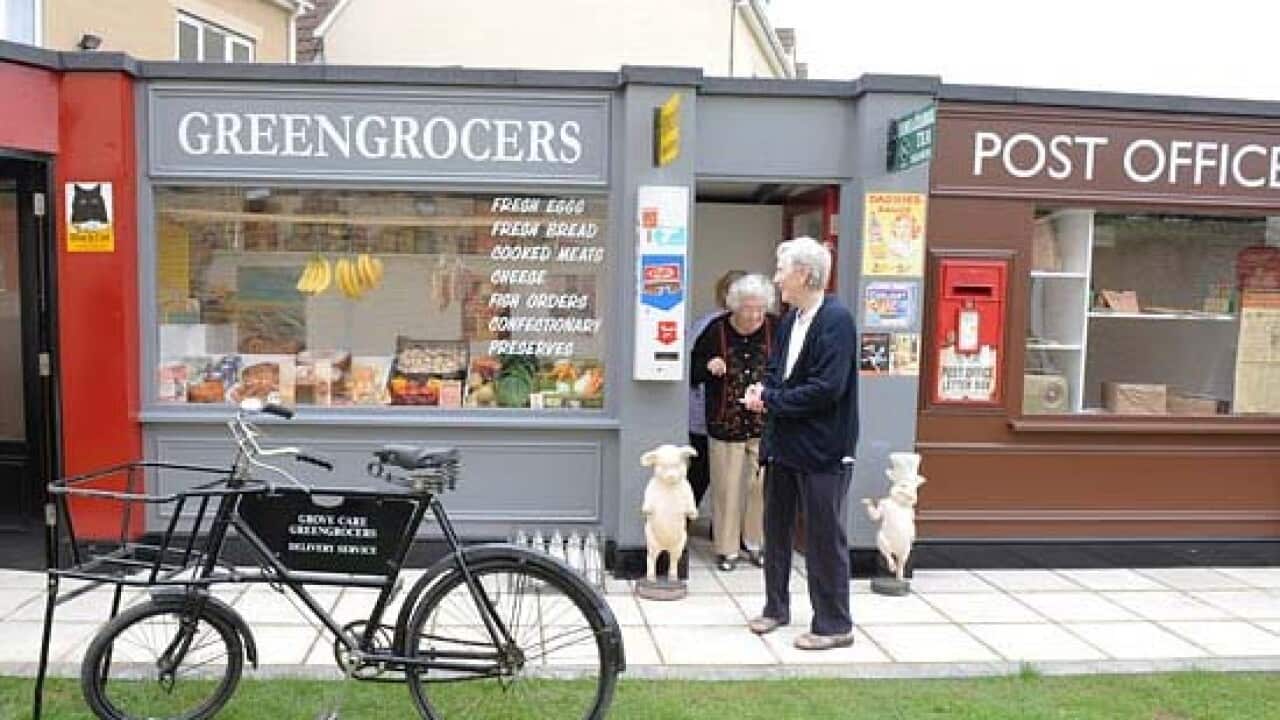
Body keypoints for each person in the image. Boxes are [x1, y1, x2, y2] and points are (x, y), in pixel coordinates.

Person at [742, 236, 858, 651]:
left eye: (781, 271)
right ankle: (775, 608)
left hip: (823, 449)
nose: (776, 279)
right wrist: (763, 390)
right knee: (775, 528)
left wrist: (770, 399)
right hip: (783, 444)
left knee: (824, 537)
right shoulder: (791, 319)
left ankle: (834, 624)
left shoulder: (836, 320)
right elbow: (777, 370)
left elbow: (827, 388)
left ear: (805, 275)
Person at [689, 274, 778, 572]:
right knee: (727, 488)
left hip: (766, 421)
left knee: (760, 486)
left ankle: (754, 543)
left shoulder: (776, 328)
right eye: (748, 308)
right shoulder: (716, 331)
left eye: (760, 309)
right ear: (734, 306)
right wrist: (708, 365)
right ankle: (726, 550)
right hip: (724, 422)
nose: (754, 315)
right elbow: (691, 369)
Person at [687, 270, 746, 514]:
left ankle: (711, 524)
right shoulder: (710, 325)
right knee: (705, 469)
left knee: (711, 470)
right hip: (707, 409)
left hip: (731, 412)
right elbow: (691, 366)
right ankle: (685, 519)